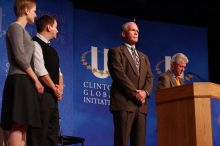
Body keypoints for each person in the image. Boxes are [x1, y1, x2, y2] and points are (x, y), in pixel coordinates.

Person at [0, 0, 44, 146]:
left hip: (25, 81)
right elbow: (20, 57)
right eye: (34, 11)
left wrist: (33, 80)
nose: (35, 14)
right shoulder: (15, 27)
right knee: (18, 124)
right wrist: (36, 80)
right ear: (26, 10)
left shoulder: (24, 31)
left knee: (23, 125)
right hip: (18, 80)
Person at [107, 21, 154, 146]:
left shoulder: (144, 56)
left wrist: (145, 92)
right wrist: (135, 94)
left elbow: (150, 77)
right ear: (123, 33)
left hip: (141, 106)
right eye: (133, 30)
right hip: (124, 103)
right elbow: (119, 76)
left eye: (137, 31)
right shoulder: (115, 52)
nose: (136, 33)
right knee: (121, 142)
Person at [26, 15, 64, 146]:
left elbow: (59, 73)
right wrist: (55, 89)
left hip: (52, 98)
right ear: (49, 27)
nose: (57, 30)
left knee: (52, 135)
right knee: (38, 135)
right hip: (40, 96)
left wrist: (60, 89)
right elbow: (40, 71)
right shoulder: (35, 43)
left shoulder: (52, 50)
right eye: (56, 27)